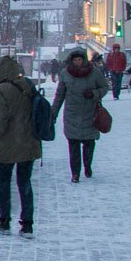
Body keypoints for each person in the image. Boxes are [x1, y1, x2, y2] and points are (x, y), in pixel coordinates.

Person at [0, 56, 40, 238]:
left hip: (8, 143)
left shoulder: (0, 91)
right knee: (24, 182)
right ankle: (27, 224)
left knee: (4, 183)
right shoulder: (27, 86)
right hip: (29, 141)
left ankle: (4, 221)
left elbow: (0, 121)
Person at [51, 49, 109, 183]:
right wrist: (53, 113)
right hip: (72, 114)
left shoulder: (94, 72)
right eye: (75, 60)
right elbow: (60, 95)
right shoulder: (66, 74)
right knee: (73, 145)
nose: (78, 62)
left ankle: (87, 166)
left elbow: (104, 88)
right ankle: (75, 173)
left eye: (80, 60)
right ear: (71, 61)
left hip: (90, 113)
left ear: (84, 60)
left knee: (89, 143)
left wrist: (94, 93)